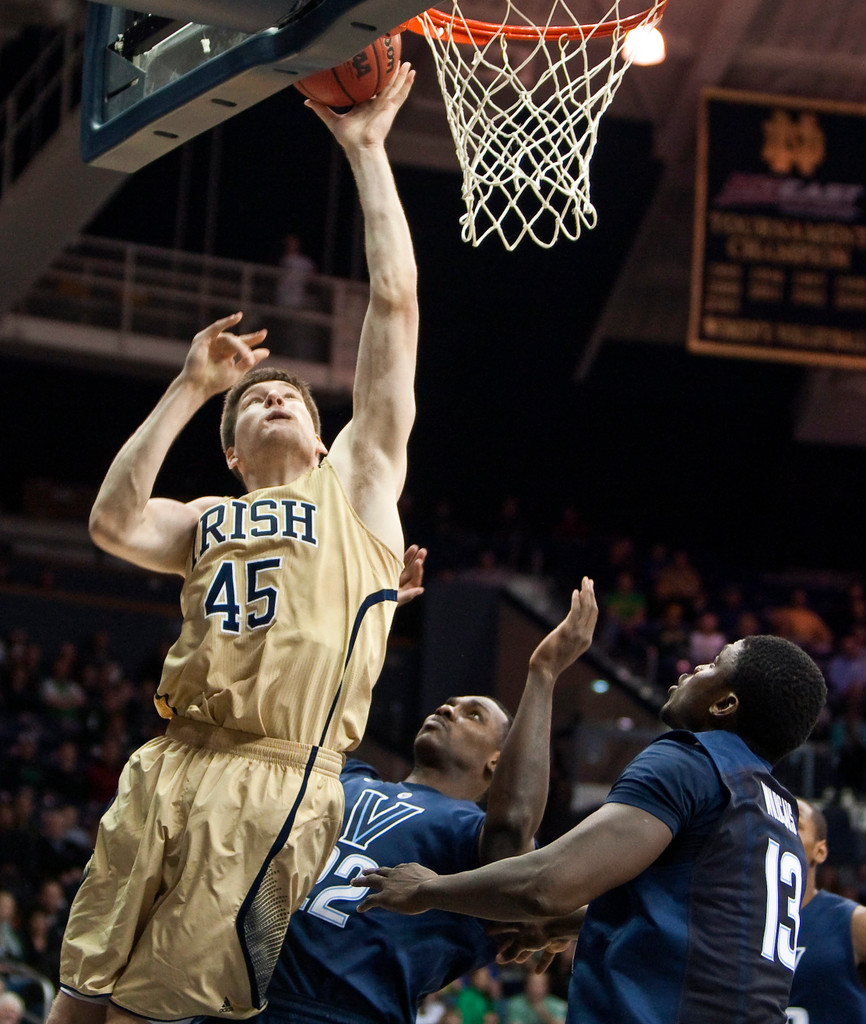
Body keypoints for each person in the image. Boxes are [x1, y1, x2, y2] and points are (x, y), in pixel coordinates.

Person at [49, 63, 419, 1024]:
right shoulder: (208, 517)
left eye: (293, 393)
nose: (277, 395)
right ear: (230, 446)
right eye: (258, 395)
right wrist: (187, 388)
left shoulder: (360, 485)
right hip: (169, 760)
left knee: (160, 1012)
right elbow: (114, 523)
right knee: (80, 994)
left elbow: (395, 309)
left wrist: (369, 155)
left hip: (275, 776)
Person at [359, 635, 828, 1024]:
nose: (691, 669)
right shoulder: (779, 812)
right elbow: (705, 927)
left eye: (711, 664)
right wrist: (576, 922)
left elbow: (546, 884)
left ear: (724, 704)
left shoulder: (692, 761)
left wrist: (427, 889)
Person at [258, 580, 598, 1024]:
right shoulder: (350, 776)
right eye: (449, 704)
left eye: (472, 714)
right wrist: (367, 611)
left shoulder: (474, 839)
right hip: (237, 993)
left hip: (343, 1012)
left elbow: (513, 821)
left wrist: (544, 671)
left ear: (499, 762)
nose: (447, 710)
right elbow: (305, 705)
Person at [786, 799, 866, 1023]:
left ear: (820, 851)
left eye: (793, 823)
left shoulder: (854, 922)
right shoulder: (733, 922)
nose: (780, 829)